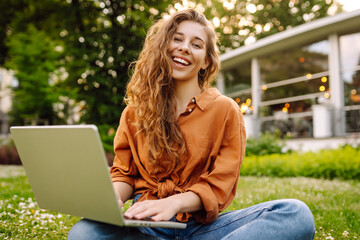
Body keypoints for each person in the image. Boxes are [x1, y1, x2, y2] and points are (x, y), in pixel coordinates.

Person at [68, 9, 315, 240]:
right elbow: (124, 174)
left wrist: (174, 203)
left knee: (296, 214)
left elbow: (220, 184)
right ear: (163, 46)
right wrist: (113, 196)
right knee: (83, 233)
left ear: (206, 61)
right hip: (143, 225)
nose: (184, 48)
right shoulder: (134, 112)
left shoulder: (226, 110)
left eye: (196, 44)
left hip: (202, 230)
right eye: (177, 39)